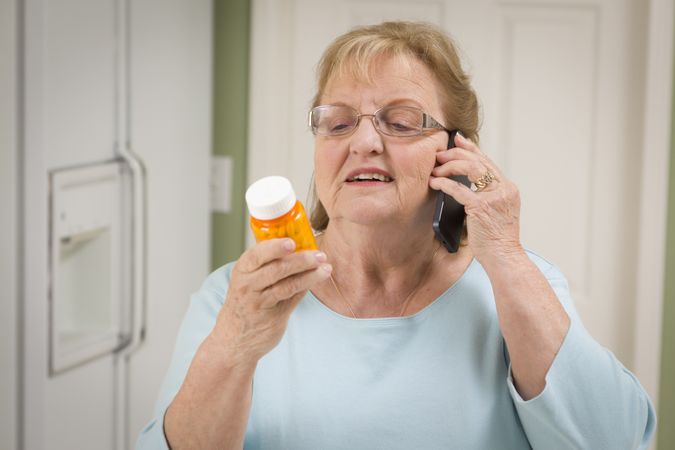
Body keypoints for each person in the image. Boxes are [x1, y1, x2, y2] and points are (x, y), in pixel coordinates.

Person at [137, 21, 656, 449]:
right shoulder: (237, 299)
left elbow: (617, 438)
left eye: (402, 122)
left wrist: (505, 255)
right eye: (337, 124)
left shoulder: (517, 286)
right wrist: (235, 340)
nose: (363, 141)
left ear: (457, 154)